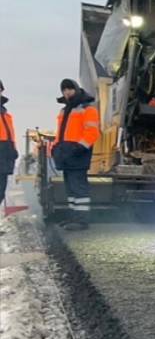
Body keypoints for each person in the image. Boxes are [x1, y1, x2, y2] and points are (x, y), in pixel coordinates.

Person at [51, 79, 100, 231]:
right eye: (64, 90)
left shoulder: (88, 109)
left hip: (78, 154)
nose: (66, 92)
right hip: (66, 153)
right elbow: (60, 133)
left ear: (76, 89)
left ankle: (82, 221)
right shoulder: (64, 111)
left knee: (79, 188)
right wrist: (55, 148)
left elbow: (92, 132)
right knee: (71, 189)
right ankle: (74, 217)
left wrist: (79, 148)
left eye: (69, 89)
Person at [0, 80, 19, 206]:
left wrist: (13, 151)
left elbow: (9, 136)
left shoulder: (6, 115)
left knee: (1, 190)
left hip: (5, 158)